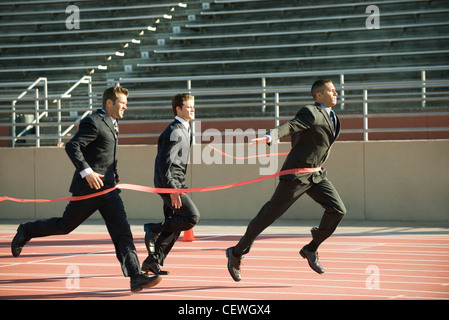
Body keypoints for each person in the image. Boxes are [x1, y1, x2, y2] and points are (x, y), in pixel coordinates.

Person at [10, 86, 162, 292]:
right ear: (109, 103)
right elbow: (72, 146)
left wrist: (113, 175)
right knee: (65, 226)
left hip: (109, 190)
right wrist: (87, 172)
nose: (126, 106)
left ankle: (135, 276)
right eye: (122, 103)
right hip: (89, 188)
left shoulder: (113, 122)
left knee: (122, 233)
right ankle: (26, 230)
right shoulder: (94, 121)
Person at [226, 79, 346, 281]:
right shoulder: (310, 112)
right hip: (296, 175)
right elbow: (290, 126)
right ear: (318, 95)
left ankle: (311, 249)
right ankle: (236, 252)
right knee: (268, 215)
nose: (337, 93)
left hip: (316, 174)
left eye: (335, 90)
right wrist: (269, 136)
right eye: (331, 90)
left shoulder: (333, 116)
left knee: (338, 210)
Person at [142, 93, 200, 275]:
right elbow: (163, 163)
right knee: (191, 217)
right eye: (188, 107)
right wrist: (172, 189)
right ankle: (153, 228)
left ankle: (152, 262)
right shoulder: (174, 130)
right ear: (178, 109)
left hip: (177, 183)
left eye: (193, 106)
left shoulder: (185, 128)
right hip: (169, 184)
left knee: (176, 225)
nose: (192, 109)